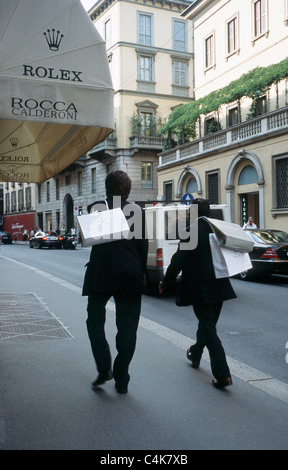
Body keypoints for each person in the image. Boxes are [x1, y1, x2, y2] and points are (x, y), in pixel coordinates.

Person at [159, 198, 236, 389]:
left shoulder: (190, 232)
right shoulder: (219, 228)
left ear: (192, 213)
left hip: (201, 288)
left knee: (209, 328)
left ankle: (223, 374)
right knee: (207, 324)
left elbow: (178, 261)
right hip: (221, 285)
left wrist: (165, 282)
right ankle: (195, 353)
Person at [82, 170, 148, 394]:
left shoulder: (97, 208)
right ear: (128, 189)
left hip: (101, 273)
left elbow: (88, 240)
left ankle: (104, 367)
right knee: (128, 326)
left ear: (106, 187)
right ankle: (121, 375)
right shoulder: (137, 212)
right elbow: (142, 247)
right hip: (130, 273)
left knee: (94, 320)